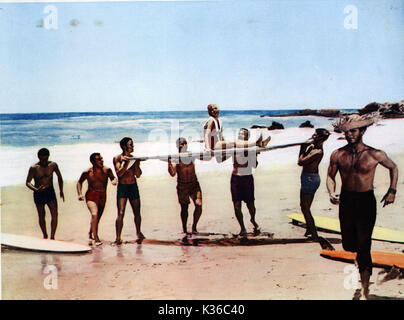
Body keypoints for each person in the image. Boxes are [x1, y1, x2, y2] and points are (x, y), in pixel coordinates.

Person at [326, 114, 398, 299]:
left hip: (366, 201)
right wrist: (331, 192)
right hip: (347, 201)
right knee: (349, 245)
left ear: (363, 131)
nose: (350, 134)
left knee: (364, 246)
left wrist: (392, 190)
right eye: (347, 131)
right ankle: (361, 264)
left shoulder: (375, 154)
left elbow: (393, 167)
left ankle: (365, 288)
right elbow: (330, 176)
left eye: (354, 131)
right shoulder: (338, 154)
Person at [216, 128, 267, 236]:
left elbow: (255, 165)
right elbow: (220, 160)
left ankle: (253, 220)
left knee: (251, 205)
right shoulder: (234, 148)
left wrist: (253, 154)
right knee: (236, 206)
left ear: (247, 138)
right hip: (236, 179)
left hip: (247, 178)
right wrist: (219, 151)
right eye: (238, 135)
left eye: (242, 135)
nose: (239, 137)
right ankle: (242, 228)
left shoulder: (250, 149)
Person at [168, 137, 211, 235]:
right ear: (177, 146)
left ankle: (194, 227)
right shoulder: (175, 157)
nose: (183, 145)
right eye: (181, 144)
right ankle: (184, 229)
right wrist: (169, 164)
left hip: (194, 184)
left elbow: (207, 158)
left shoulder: (191, 155)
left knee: (199, 205)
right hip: (182, 186)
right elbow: (172, 173)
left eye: (184, 143)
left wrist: (208, 150)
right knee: (184, 208)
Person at [298, 128, 331, 247]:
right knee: (305, 206)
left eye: (316, 134)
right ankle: (309, 228)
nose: (313, 135)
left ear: (321, 138)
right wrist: (307, 146)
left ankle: (314, 234)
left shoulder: (317, 151)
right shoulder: (313, 148)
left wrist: (302, 148)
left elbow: (301, 162)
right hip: (308, 177)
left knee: (305, 208)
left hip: (310, 179)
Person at [77, 153, 117, 245]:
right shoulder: (87, 172)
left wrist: (114, 181)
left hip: (102, 195)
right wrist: (79, 194)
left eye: (102, 159)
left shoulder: (107, 170)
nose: (101, 161)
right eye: (99, 159)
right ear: (92, 162)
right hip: (91, 195)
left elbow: (113, 178)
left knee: (97, 218)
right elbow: (79, 182)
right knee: (94, 214)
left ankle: (90, 233)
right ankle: (96, 238)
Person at [26, 148, 64, 239]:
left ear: (48, 157)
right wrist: (35, 189)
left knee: (55, 214)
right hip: (38, 193)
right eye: (42, 159)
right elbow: (27, 182)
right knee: (41, 215)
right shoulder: (34, 168)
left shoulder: (53, 165)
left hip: (50, 191)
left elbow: (59, 177)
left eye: (46, 159)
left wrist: (61, 191)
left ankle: (52, 236)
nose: (44, 161)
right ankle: (45, 235)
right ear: (38, 157)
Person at [113, 137, 145, 245]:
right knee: (121, 213)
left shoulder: (134, 158)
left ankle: (138, 233)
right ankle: (118, 237)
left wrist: (136, 163)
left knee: (137, 212)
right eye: (130, 145)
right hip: (123, 187)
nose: (132, 146)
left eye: (132, 144)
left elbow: (138, 175)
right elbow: (119, 174)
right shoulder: (118, 158)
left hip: (133, 186)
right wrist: (127, 163)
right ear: (123, 146)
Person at [203, 104, 271, 151]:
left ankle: (259, 143)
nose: (214, 110)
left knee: (237, 143)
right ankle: (257, 143)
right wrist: (208, 148)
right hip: (213, 146)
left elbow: (220, 135)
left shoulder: (219, 121)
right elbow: (207, 134)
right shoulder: (211, 120)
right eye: (212, 109)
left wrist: (224, 143)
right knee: (235, 143)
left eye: (215, 108)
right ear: (209, 112)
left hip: (217, 144)